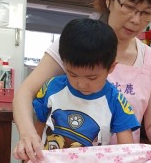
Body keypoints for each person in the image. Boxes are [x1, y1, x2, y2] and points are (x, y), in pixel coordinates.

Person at [13, 0, 151, 163]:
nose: (136, 20)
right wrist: (28, 134)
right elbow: (25, 92)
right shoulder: (76, 45)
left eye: (146, 12)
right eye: (129, 7)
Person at [33, 18, 140, 150]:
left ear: (111, 68)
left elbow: (126, 148)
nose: (81, 84)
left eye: (92, 78)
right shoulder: (52, 87)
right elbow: (39, 126)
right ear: (64, 63)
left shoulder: (115, 101)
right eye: (73, 74)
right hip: (49, 161)